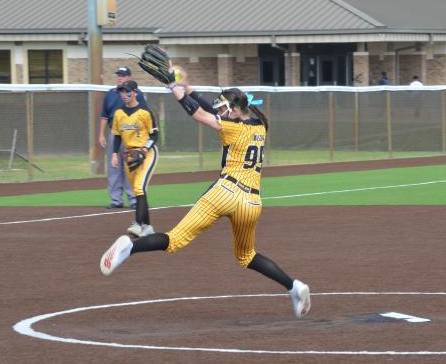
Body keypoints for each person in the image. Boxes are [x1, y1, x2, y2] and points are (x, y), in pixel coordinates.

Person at [100, 68, 311, 319]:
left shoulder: (233, 128)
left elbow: (200, 114)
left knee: (175, 239)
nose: (220, 112)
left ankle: (129, 249)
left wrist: (175, 89)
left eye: (223, 109)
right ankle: (294, 287)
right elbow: (212, 112)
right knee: (247, 256)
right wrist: (187, 87)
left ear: (234, 111)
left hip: (225, 192)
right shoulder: (259, 126)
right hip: (251, 203)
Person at [111, 80, 159, 238]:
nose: (124, 95)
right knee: (139, 192)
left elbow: (155, 134)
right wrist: (114, 154)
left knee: (139, 188)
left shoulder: (145, 111)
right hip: (129, 156)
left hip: (147, 153)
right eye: (122, 92)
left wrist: (145, 149)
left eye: (127, 92)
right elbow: (117, 136)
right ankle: (148, 227)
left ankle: (138, 224)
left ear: (135, 93)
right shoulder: (119, 113)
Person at [99, 66, 147, 209]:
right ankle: (116, 200)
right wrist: (101, 134)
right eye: (119, 75)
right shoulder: (110, 94)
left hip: (131, 135)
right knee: (114, 167)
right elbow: (104, 116)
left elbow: (144, 114)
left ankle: (133, 199)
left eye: (123, 75)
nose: (120, 77)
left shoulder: (137, 94)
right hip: (114, 133)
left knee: (130, 167)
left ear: (129, 78)